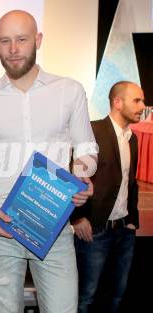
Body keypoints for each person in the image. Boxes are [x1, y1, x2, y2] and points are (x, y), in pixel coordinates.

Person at [0, 10, 98, 313]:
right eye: (5, 41)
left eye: (22, 39)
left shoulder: (69, 91)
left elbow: (86, 148)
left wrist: (83, 177)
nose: (13, 49)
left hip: (54, 226)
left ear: (37, 40)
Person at [71, 81, 145, 313]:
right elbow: (72, 176)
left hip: (125, 232)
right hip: (95, 231)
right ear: (117, 102)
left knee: (116, 296)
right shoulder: (92, 131)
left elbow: (129, 181)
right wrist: (78, 218)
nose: (142, 106)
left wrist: (132, 219)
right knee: (85, 298)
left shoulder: (132, 138)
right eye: (137, 100)